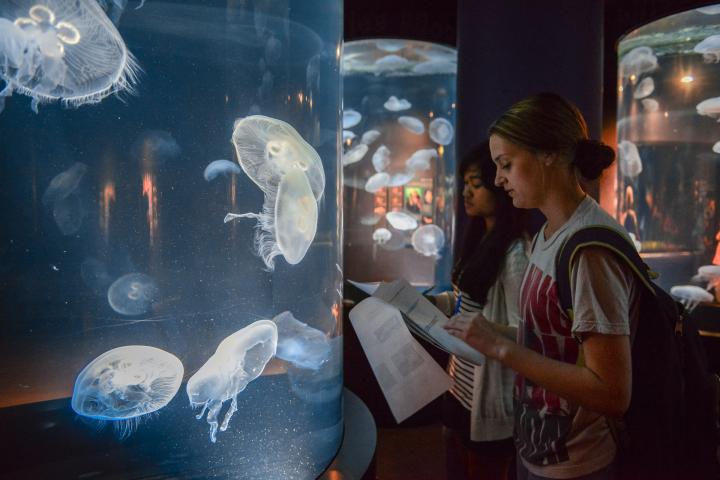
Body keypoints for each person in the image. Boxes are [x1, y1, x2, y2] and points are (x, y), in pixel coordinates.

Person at [444, 92, 639, 480]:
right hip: (539, 445)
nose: (499, 179)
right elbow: (554, 340)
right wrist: (489, 332)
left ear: (548, 153)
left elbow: (611, 392)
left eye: (506, 165)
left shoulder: (588, 249)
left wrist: (500, 346)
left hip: (577, 462)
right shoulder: (550, 234)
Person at [432, 141, 528, 480]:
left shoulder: (515, 252)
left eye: (476, 184)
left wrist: (483, 329)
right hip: (458, 383)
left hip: (487, 395)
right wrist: (430, 304)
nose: (466, 193)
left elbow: (525, 332)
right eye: (464, 185)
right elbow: (466, 303)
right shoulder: (477, 240)